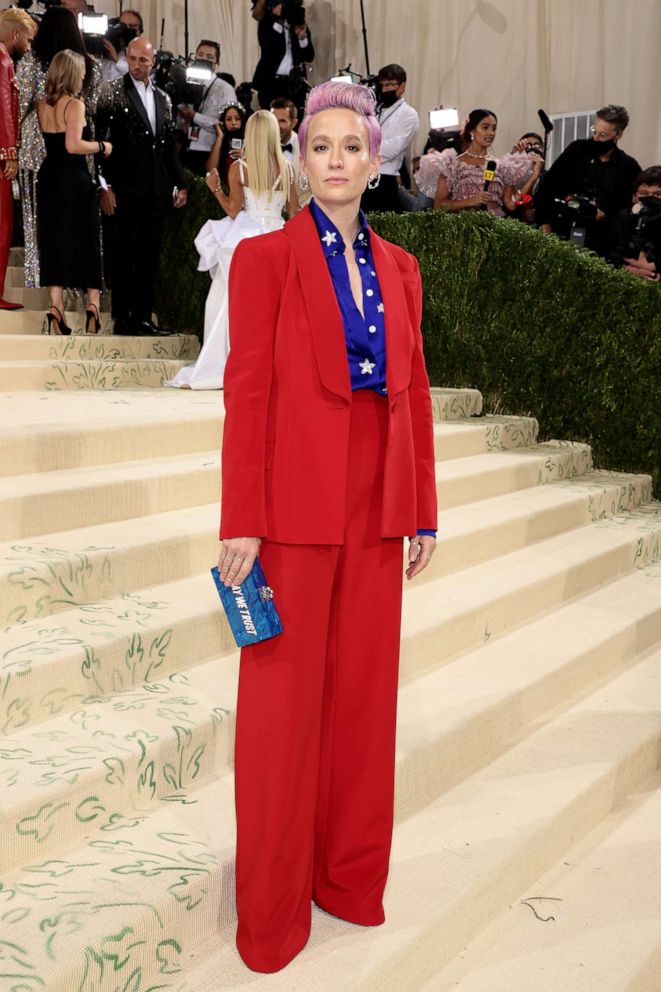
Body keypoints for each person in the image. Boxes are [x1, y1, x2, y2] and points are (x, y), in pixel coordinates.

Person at [218, 80, 438, 973]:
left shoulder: (403, 269)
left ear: (374, 162)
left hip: (374, 501)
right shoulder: (265, 261)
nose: (339, 161)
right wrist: (243, 518)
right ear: (301, 161)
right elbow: (248, 395)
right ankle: (271, 915)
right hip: (292, 506)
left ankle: (347, 880)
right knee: (280, 711)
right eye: (323, 147)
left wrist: (418, 505)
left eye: (354, 147)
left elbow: (412, 391)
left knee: (360, 701)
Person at [168, 110, 296, 390]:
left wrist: (214, 188)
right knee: (276, 305)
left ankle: (230, 361)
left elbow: (233, 210)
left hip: (247, 238)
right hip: (279, 237)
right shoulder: (288, 168)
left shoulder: (239, 168)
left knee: (227, 301)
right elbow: (294, 211)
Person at [96, 36, 189, 336]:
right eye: (132, 58)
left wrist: (180, 184)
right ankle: (122, 318)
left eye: (143, 60)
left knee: (148, 256)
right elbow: (98, 141)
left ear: (153, 62)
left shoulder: (163, 98)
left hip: (155, 191)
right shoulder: (110, 92)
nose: (136, 65)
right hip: (122, 189)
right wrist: (103, 186)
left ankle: (142, 317)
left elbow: (168, 147)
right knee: (124, 254)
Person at [17, 6, 102, 288]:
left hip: (38, 145)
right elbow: (91, 108)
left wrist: (11, 146)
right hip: (79, 145)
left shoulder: (32, 60)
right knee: (80, 224)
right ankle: (82, 287)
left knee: (41, 219)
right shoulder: (90, 65)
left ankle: (36, 274)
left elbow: (20, 105)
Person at [36, 49, 111, 335]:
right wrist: (102, 147)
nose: (83, 77)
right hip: (74, 178)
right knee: (87, 239)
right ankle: (93, 305)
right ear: (72, 74)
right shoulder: (75, 105)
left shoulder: (42, 104)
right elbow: (73, 145)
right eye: (80, 72)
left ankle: (56, 308)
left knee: (54, 241)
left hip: (49, 177)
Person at [534, 104, 641, 256]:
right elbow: (547, 187)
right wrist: (544, 224)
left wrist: (604, 215)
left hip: (600, 243)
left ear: (618, 135)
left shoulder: (628, 167)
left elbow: (628, 211)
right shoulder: (576, 150)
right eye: (594, 132)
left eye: (603, 135)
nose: (596, 139)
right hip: (560, 230)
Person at [417, 108, 533, 215]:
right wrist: (471, 201)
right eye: (485, 127)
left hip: (494, 231)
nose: (491, 133)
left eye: (494, 128)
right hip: (465, 230)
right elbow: (439, 205)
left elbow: (511, 205)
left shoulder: (501, 165)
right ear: (472, 131)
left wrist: (534, 175)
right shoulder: (453, 164)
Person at [0, 8, 35, 311]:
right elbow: (4, 109)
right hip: (0, 156)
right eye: (28, 39)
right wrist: (9, 153)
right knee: (2, 226)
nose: (29, 46)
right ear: (14, 34)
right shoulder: (2, 60)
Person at [361, 64, 419, 213]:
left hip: (384, 179)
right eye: (382, 85)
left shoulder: (408, 114)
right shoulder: (374, 110)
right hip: (361, 176)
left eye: (389, 84)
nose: (384, 89)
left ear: (401, 87)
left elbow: (392, 149)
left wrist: (362, 146)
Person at [178, 40, 237, 176]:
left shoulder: (224, 89)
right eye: (200, 55)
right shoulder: (185, 83)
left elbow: (226, 125)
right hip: (186, 147)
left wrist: (195, 117)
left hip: (209, 151)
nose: (204, 59)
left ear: (217, 64)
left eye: (209, 57)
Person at [252, 0, 314, 114]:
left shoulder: (298, 23)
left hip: (294, 85)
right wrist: (277, 22)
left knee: (294, 120)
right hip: (271, 83)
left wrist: (302, 38)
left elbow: (309, 56)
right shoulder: (266, 22)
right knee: (271, 122)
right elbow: (267, 50)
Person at [609, 166, 661, 281]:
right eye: (644, 193)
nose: (650, 199)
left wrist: (655, 267)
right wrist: (629, 269)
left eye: (658, 194)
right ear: (634, 197)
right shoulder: (623, 217)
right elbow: (608, 252)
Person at [205, 101, 247, 185]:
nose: (233, 123)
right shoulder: (219, 142)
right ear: (223, 122)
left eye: (237, 119)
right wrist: (220, 137)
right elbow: (211, 170)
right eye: (228, 119)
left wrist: (246, 157)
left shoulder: (250, 140)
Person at [100, 9, 143, 84]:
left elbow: (139, 79)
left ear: (139, 31)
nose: (127, 30)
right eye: (123, 26)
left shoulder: (145, 53)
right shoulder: (108, 48)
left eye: (132, 26)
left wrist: (117, 60)